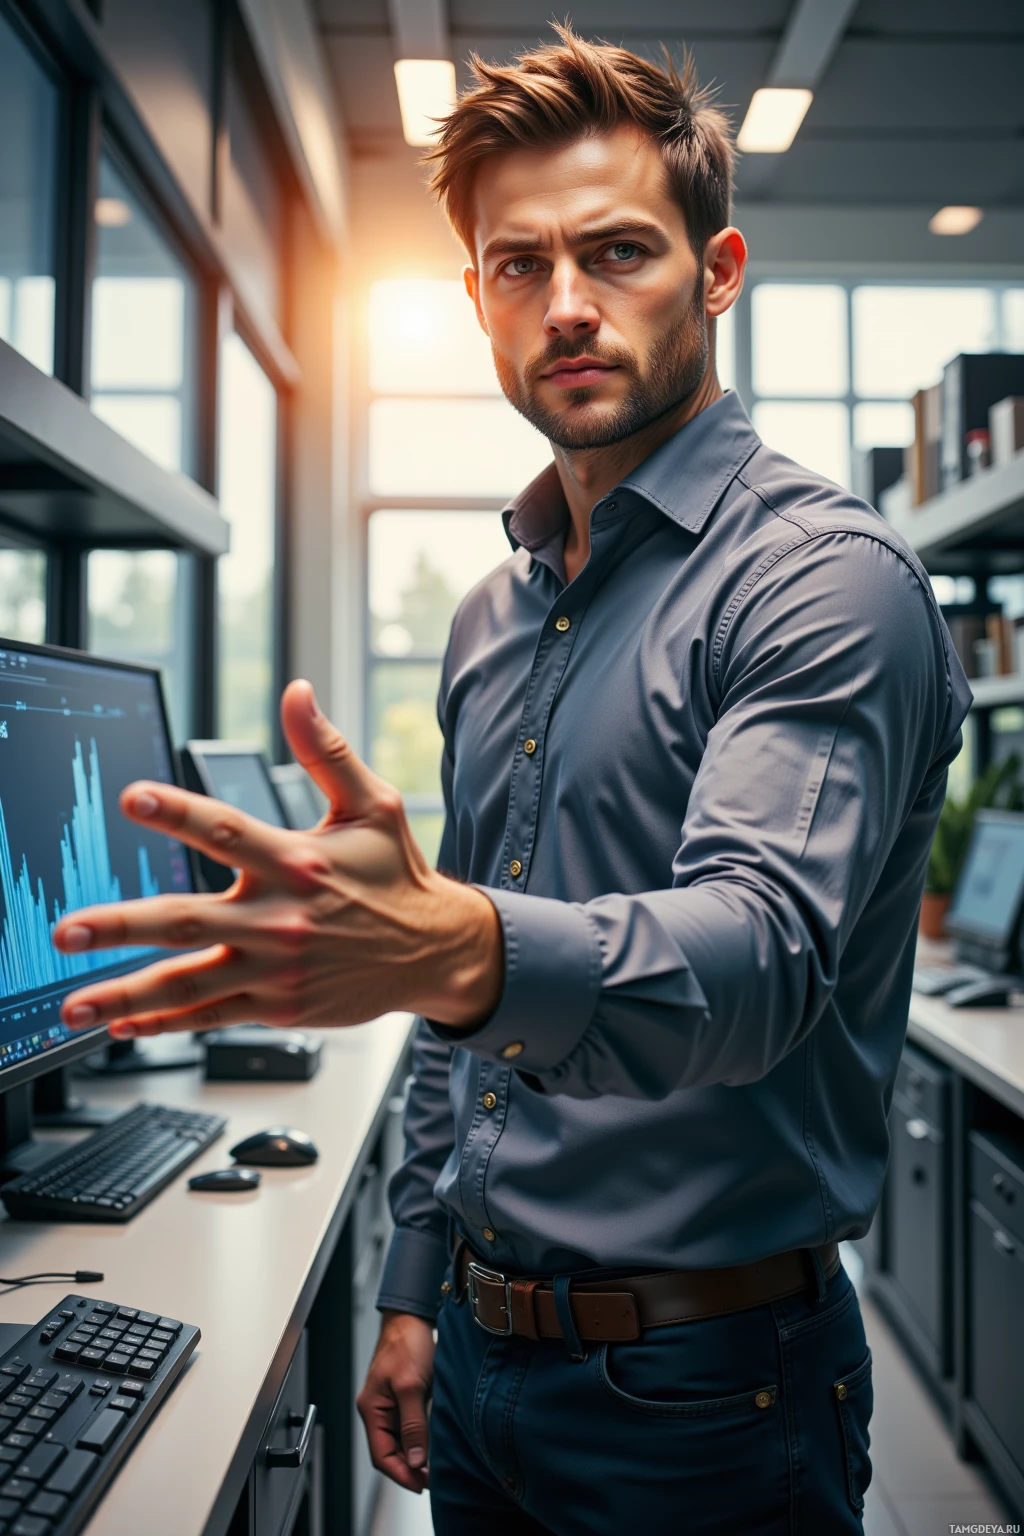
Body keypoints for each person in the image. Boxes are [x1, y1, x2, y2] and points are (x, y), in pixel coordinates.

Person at [54, 25, 971, 1536]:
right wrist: (419, 1281)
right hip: (483, 1359)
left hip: (708, 1395)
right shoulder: (497, 615)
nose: (568, 307)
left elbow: (756, 962)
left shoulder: (818, 583)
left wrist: (452, 947)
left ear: (720, 271)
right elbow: (464, 1026)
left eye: (618, 253)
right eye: (516, 266)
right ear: (474, 296)